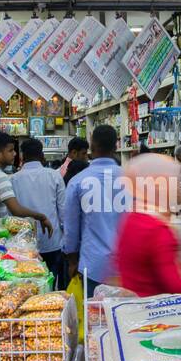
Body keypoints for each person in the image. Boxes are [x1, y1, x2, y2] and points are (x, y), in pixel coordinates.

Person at [113, 152, 181, 298]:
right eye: (177, 184)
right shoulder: (159, 230)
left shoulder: (133, 218)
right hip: (154, 308)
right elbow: (178, 287)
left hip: (131, 307)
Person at [62, 124, 128, 296]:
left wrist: (72, 261)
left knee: (93, 311)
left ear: (92, 146)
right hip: (127, 266)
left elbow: (71, 228)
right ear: (116, 146)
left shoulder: (77, 181)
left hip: (93, 265)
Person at [11, 137, 68, 289]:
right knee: (50, 284)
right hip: (52, 241)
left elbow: (11, 213)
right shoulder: (54, 175)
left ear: (22, 156)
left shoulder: (14, 179)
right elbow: (63, 212)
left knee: (26, 287)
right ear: (42, 155)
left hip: (23, 245)